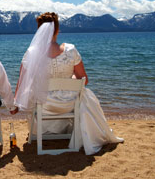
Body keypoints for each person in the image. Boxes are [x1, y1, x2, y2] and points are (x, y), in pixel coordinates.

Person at [14, 12, 123, 155]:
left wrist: (15, 103)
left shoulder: (32, 52)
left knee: (32, 92)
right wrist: (70, 78)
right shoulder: (70, 50)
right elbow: (84, 80)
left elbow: (22, 81)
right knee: (86, 95)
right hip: (69, 104)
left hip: (44, 105)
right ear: (58, 30)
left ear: (39, 32)